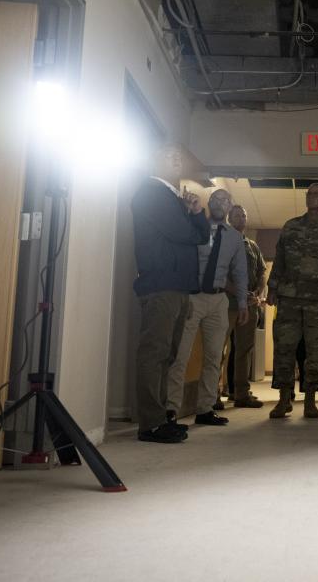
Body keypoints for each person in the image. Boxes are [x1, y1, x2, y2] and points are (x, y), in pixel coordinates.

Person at [131, 144, 211, 444]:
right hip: (161, 285)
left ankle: (162, 416)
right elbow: (186, 234)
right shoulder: (152, 193)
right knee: (154, 354)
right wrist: (188, 214)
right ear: (154, 162)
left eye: (180, 156)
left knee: (168, 355)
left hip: (176, 287)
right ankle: (150, 424)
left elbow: (201, 235)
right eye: (168, 156)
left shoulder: (173, 198)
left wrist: (195, 211)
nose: (177, 160)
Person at [167, 189, 248, 427]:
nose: (219, 203)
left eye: (225, 200)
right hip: (192, 298)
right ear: (209, 203)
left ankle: (205, 408)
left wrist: (242, 302)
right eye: (215, 199)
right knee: (180, 355)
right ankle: (170, 409)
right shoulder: (193, 226)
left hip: (218, 301)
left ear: (230, 206)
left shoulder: (234, 237)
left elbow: (240, 272)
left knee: (214, 357)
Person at [265, 183, 318, 419]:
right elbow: (280, 258)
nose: (312, 198)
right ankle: (284, 399)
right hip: (289, 298)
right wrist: (272, 287)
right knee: (284, 348)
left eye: (317, 194)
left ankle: (310, 400)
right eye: (309, 194)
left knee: (315, 351)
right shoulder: (291, 226)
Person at [223, 204, 267, 408]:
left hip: (249, 305)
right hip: (228, 303)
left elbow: (261, 272)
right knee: (219, 350)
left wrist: (258, 292)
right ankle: (213, 397)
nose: (241, 218)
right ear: (230, 218)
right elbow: (220, 275)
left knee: (244, 350)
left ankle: (241, 394)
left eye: (244, 215)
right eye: (237, 215)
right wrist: (238, 292)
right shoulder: (223, 242)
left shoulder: (252, 245)